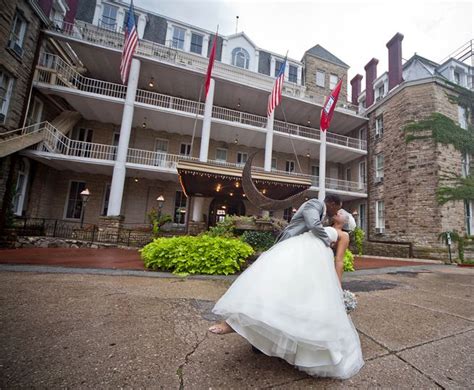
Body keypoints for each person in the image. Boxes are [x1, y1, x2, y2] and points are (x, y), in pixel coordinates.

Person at [208, 207, 364, 379]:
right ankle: (236, 324)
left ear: (346, 222)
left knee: (304, 301)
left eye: (343, 214)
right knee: (274, 285)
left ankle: (298, 346)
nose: (339, 213)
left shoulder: (343, 235)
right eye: (339, 211)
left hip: (315, 261)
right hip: (296, 252)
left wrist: (336, 286)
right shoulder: (322, 224)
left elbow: (339, 260)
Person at [275, 194, 343, 246]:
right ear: (332, 204)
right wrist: (328, 241)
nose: (336, 213)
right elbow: (314, 225)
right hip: (289, 240)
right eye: (337, 209)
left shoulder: (322, 211)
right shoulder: (315, 203)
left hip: (299, 244)